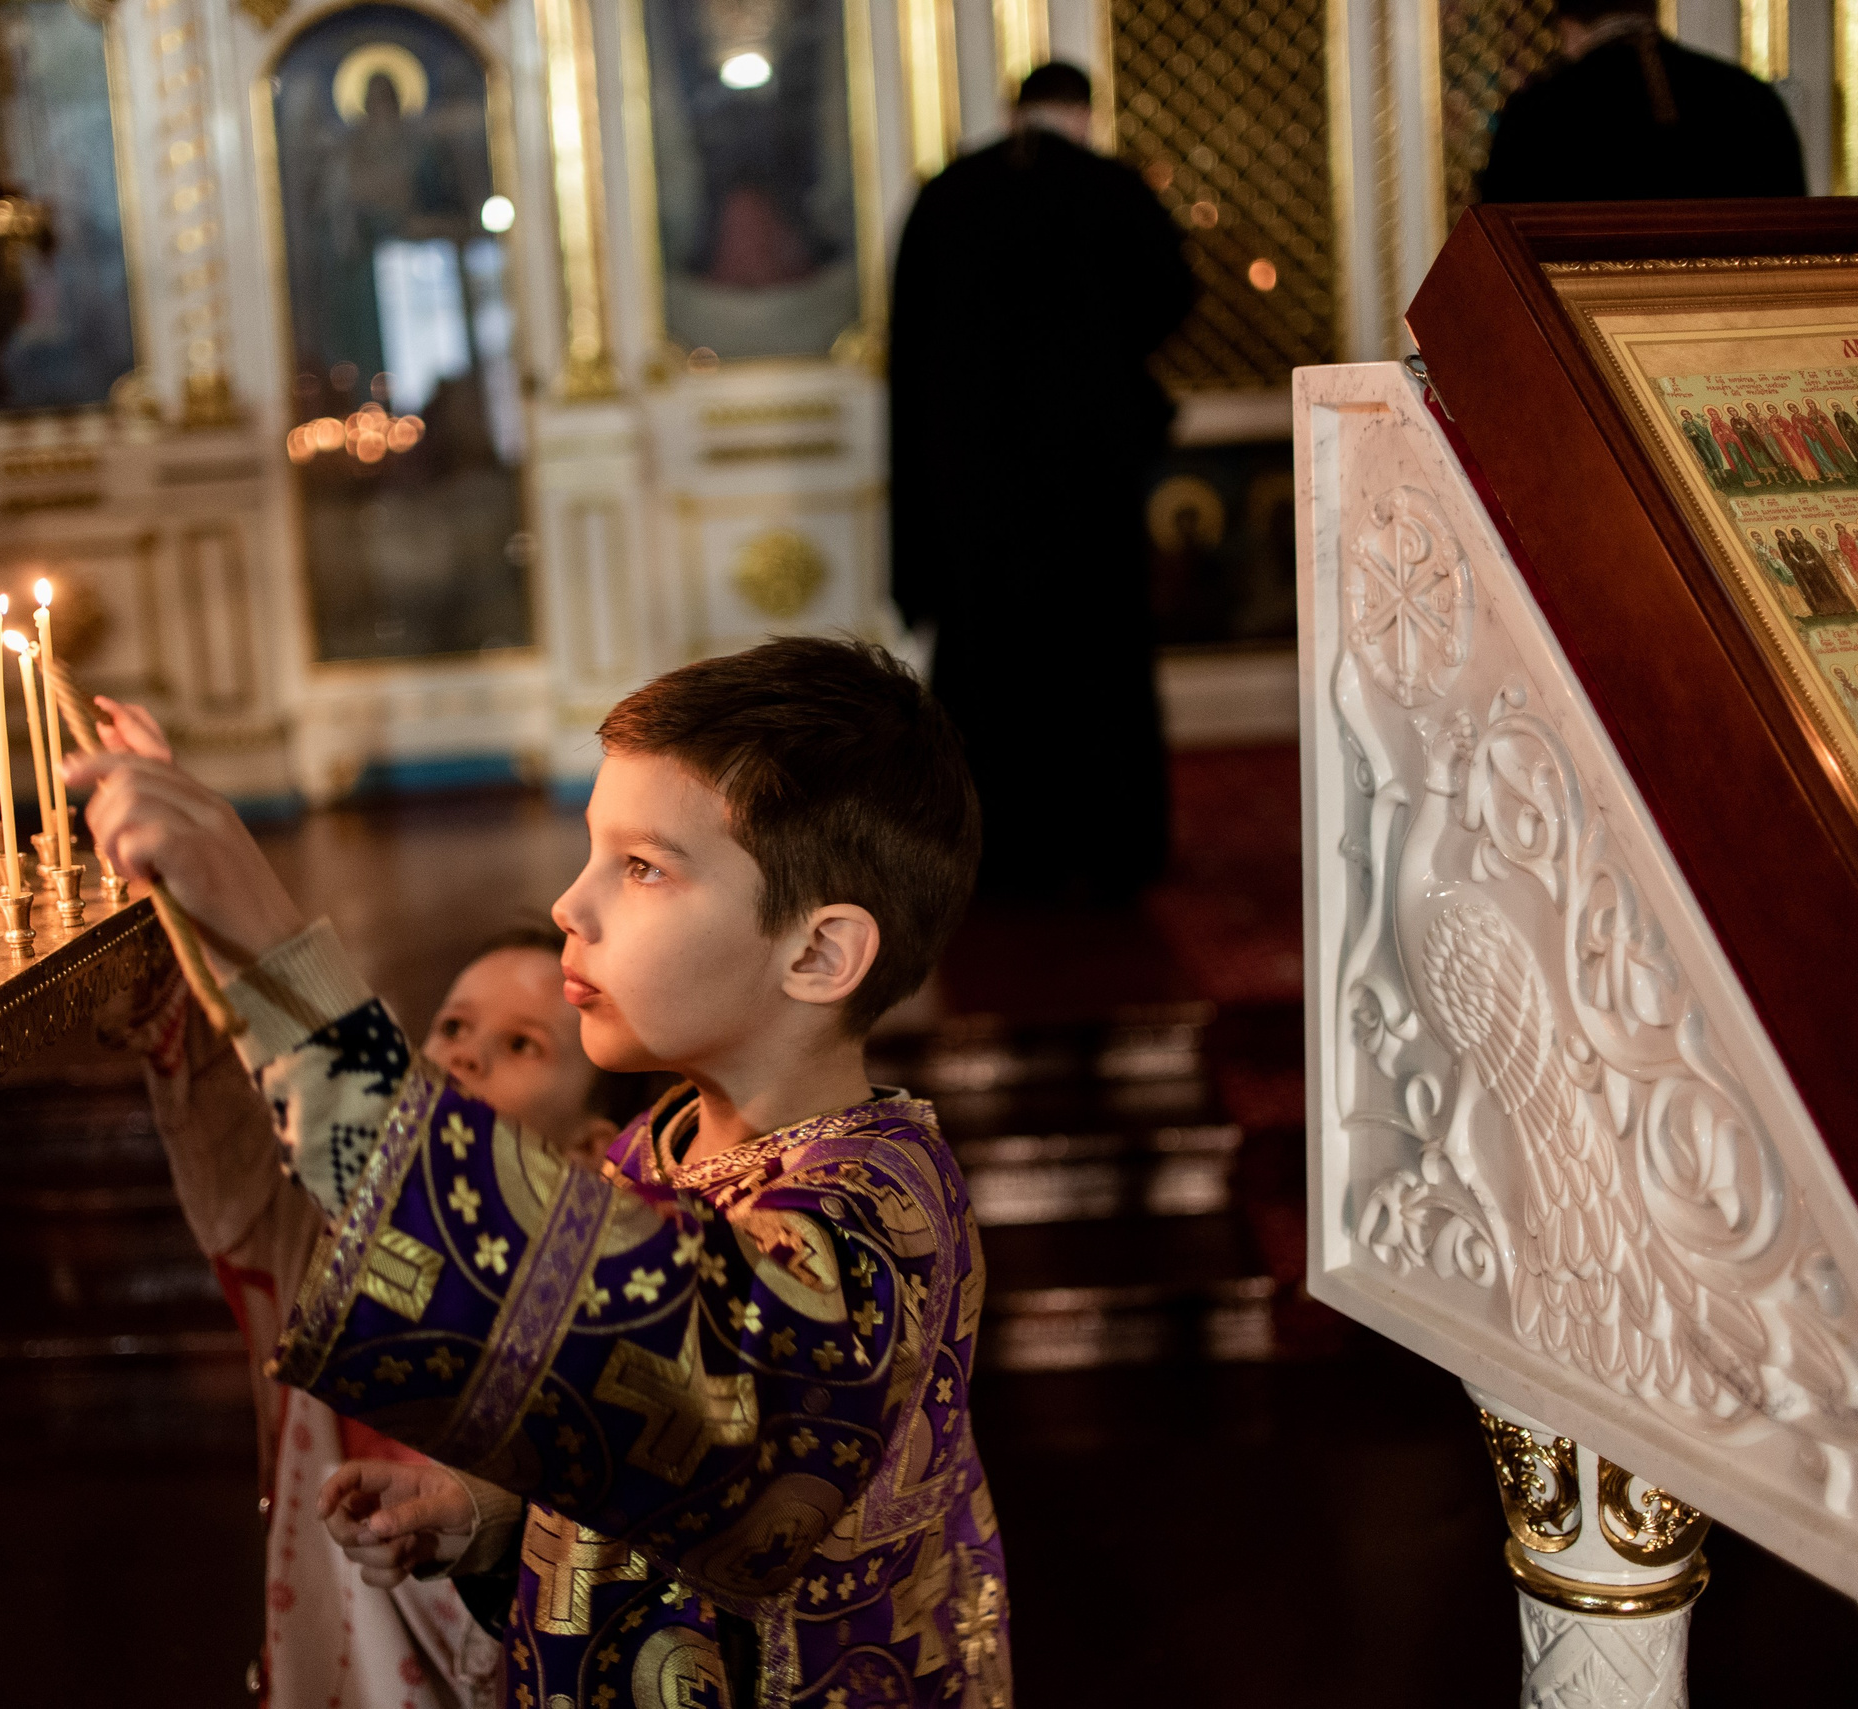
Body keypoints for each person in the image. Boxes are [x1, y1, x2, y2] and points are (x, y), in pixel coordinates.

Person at [73, 637, 1010, 1708]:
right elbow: (637, 1446)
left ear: (817, 953)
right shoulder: (653, 1147)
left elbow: (698, 1395)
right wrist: (487, 1513)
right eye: (591, 852)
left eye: (643, 866)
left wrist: (272, 937)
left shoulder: (876, 1218)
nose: (571, 903)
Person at [102, 693, 667, 1707]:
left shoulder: (604, 1304)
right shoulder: (318, 1247)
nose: (462, 1055)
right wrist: (179, 902)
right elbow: (236, 1100)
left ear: (592, 1148)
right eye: (451, 1026)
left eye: (520, 1045)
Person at [890, 61, 1196, 904]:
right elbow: (1173, 296)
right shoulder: (1115, 190)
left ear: (1013, 111)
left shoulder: (948, 196)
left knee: (988, 659)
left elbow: (909, 343)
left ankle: (995, 852)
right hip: (1088, 481)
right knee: (1099, 655)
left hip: (974, 485)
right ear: (1085, 115)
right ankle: (1110, 847)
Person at [1477, 0, 1805, 203]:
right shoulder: (1749, 97)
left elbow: (1502, 254)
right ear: (1653, 9)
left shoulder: (1539, 112)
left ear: (1568, 27)